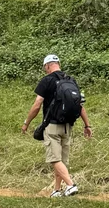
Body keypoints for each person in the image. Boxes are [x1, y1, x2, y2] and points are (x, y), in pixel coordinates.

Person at [21, 54, 92, 197]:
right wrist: (87, 125)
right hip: (68, 126)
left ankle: (71, 185)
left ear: (47, 65)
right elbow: (80, 105)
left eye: (44, 67)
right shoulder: (70, 80)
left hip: (52, 126)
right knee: (61, 160)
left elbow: (37, 105)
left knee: (54, 159)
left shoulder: (46, 80)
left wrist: (26, 123)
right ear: (58, 63)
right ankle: (57, 190)